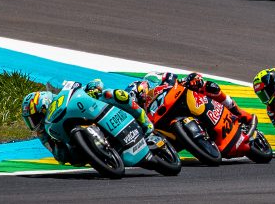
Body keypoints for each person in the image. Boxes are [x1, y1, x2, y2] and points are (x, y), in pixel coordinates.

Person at [22, 85, 153, 167]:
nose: (34, 124)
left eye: (35, 118)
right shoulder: (43, 133)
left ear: (44, 106)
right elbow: (58, 157)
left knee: (114, 94)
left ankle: (143, 120)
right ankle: (101, 154)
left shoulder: (63, 98)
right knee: (68, 156)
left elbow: (94, 83)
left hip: (90, 112)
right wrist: (57, 144)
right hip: (76, 150)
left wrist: (92, 89)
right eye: (30, 121)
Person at [142, 71, 254, 122]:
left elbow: (193, 77)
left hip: (199, 103)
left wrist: (193, 80)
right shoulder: (149, 104)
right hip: (180, 114)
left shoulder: (170, 83)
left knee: (210, 87)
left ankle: (238, 112)